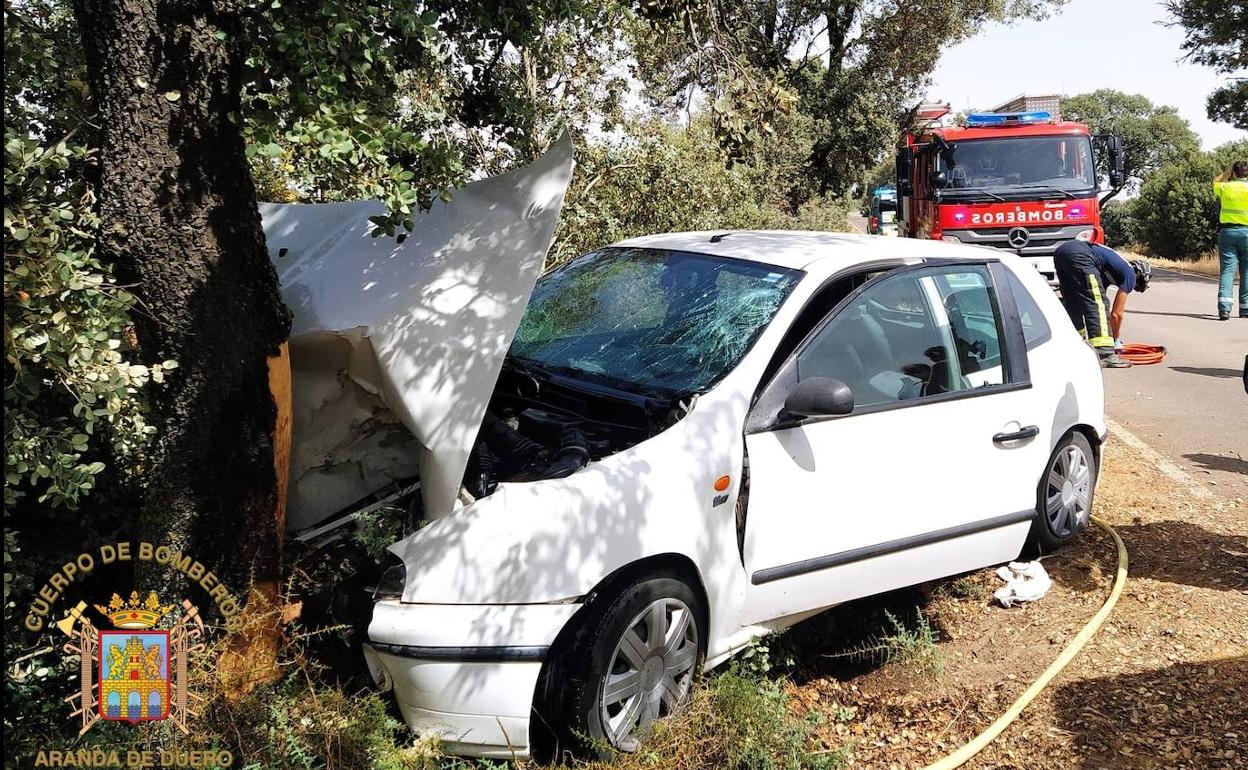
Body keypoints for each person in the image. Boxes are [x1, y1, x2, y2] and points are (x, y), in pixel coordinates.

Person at [1053, 240, 1151, 368]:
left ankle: (1075, 345)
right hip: (1081, 255)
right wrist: (1115, 339)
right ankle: (1104, 353)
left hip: (1061, 252)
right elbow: (1116, 314)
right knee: (1098, 303)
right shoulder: (1130, 274)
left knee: (1074, 303)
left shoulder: (1108, 270)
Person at [1213, 160, 1248, 320]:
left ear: (1233, 173)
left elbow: (1215, 182)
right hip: (1247, 233)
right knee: (1246, 272)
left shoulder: (1226, 187)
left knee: (1227, 271)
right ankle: (1245, 309)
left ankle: (1224, 309)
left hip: (1227, 232)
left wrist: (1227, 172)